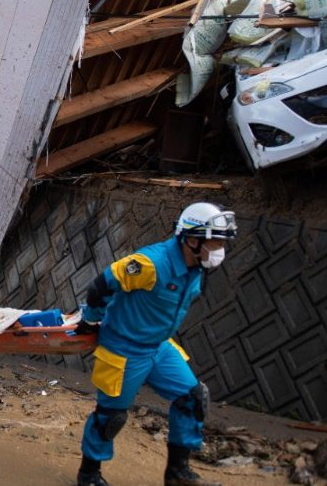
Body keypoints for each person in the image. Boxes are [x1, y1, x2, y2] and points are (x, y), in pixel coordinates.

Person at [74, 203, 237, 486]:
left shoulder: (195, 267)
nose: (219, 249)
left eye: (222, 242)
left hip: (159, 347)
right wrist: (90, 320)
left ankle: (177, 474)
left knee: (193, 398)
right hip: (124, 349)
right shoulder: (151, 264)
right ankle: (89, 474)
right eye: (215, 241)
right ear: (192, 239)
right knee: (110, 417)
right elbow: (101, 286)